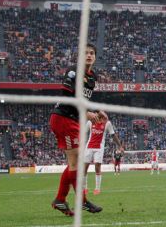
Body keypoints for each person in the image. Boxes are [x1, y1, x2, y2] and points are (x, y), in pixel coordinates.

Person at [48, 43, 105, 216]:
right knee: (76, 163)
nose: (88, 55)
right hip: (64, 119)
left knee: (74, 163)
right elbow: (68, 95)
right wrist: (86, 112)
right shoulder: (73, 71)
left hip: (73, 120)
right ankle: (82, 201)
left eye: (92, 53)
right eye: (85, 53)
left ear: (95, 57)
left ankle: (60, 199)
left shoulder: (92, 77)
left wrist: (93, 111)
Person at [82, 115, 124, 195]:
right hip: (89, 147)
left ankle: (97, 189)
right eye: (103, 116)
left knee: (97, 167)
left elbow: (113, 135)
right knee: (85, 168)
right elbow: (84, 132)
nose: (105, 118)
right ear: (98, 116)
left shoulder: (107, 123)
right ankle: (84, 189)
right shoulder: (90, 122)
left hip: (99, 148)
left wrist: (120, 146)